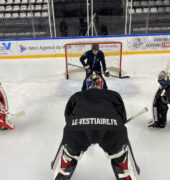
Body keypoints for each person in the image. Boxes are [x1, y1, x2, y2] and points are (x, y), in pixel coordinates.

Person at [51, 73, 140, 180]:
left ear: (88, 85)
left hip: (78, 127)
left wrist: (77, 125)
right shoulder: (113, 94)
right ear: (102, 85)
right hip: (111, 127)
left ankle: (65, 163)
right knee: (120, 151)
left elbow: (67, 116)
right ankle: (124, 167)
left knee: (69, 148)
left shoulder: (77, 95)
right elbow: (122, 117)